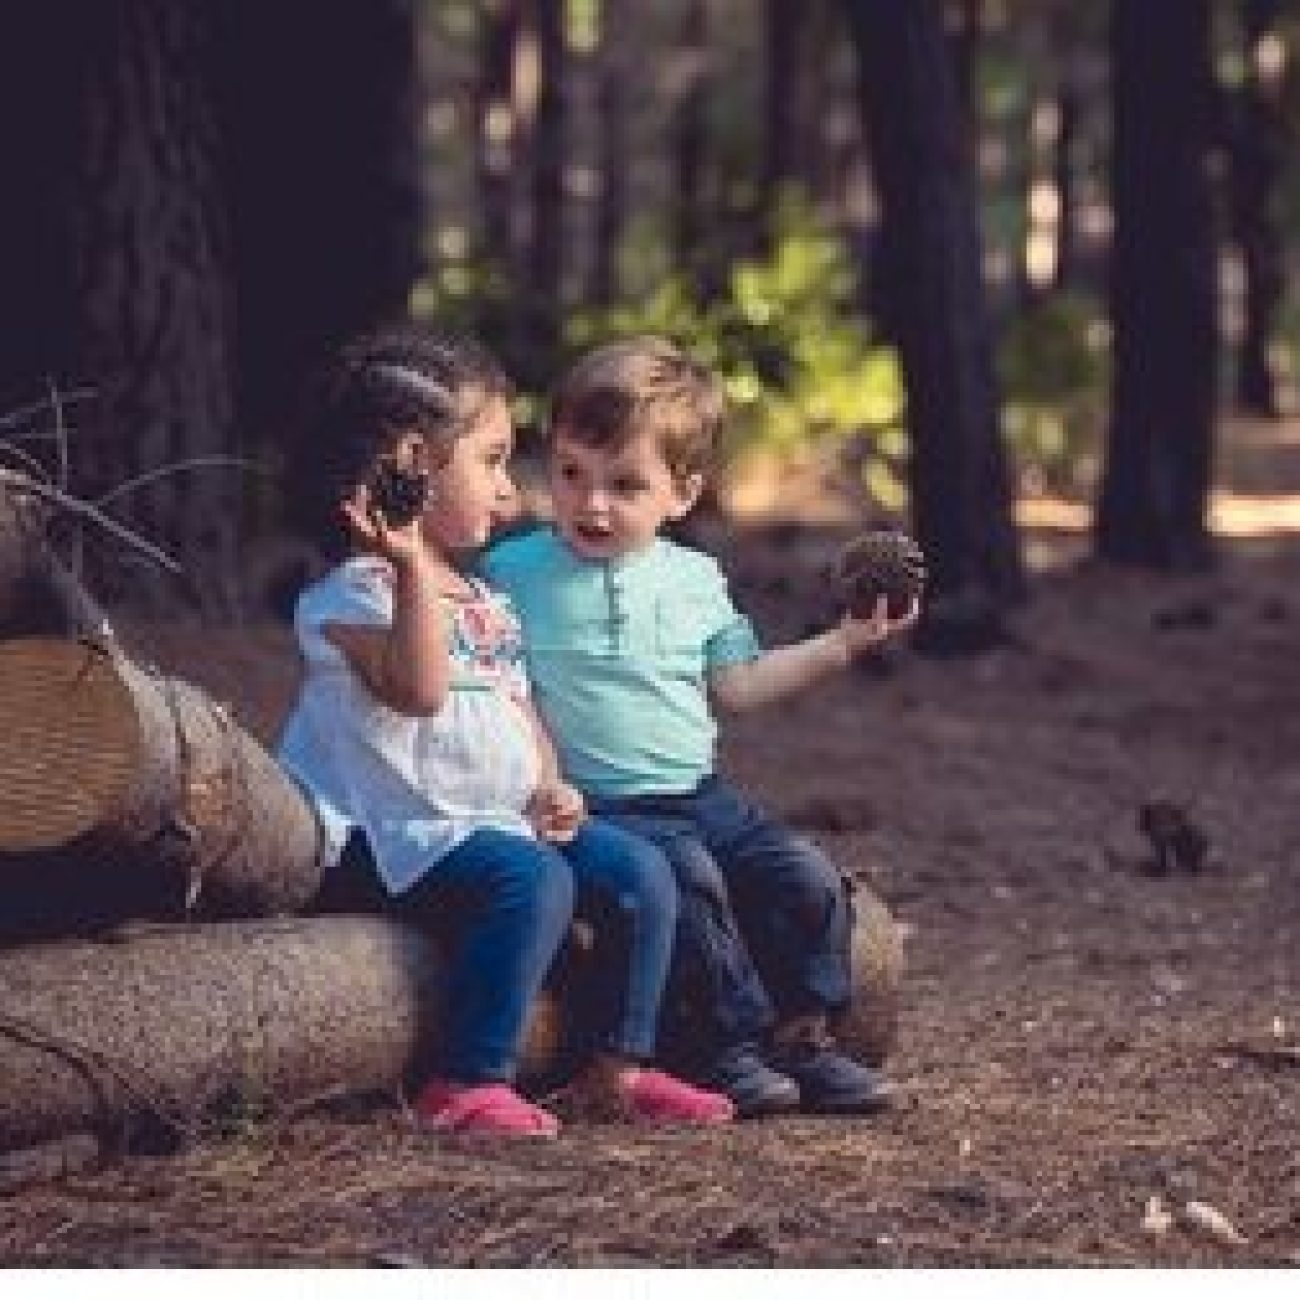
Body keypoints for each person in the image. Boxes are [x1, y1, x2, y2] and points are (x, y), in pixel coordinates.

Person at [276, 326, 734, 1137]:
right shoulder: (356, 594)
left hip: (494, 821)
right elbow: (419, 692)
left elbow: (519, 709)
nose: (510, 491)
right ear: (413, 465)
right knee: (534, 881)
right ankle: (464, 1081)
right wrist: (413, 565)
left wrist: (551, 784)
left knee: (639, 869)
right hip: (397, 835)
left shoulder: (483, 597)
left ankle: (617, 1067)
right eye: (490, 462)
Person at [482, 336, 917, 1118]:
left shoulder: (693, 580)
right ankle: (721, 1049)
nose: (591, 504)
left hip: (697, 794)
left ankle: (803, 1036)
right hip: (593, 809)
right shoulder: (512, 573)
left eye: (625, 485)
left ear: (681, 494)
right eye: (572, 473)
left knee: (804, 875)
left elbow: (740, 686)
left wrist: (844, 644)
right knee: (688, 883)